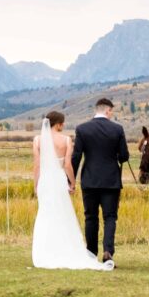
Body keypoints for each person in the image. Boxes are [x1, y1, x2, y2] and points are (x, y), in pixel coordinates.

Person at [32, 111, 112, 271]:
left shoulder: (38, 140)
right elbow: (68, 164)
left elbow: (37, 165)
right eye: (63, 123)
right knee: (63, 214)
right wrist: (73, 183)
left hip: (45, 182)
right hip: (59, 181)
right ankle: (65, 248)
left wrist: (36, 185)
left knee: (46, 214)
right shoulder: (66, 140)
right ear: (59, 124)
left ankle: (46, 251)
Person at [71, 98, 129, 268]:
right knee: (110, 217)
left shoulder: (82, 129)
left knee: (90, 217)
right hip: (111, 180)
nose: (112, 114)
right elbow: (124, 156)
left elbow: (76, 156)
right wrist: (115, 156)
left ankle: (90, 253)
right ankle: (108, 252)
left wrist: (71, 179)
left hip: (89, 180)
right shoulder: (117, 129)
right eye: (112, 111)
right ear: (108, 111)